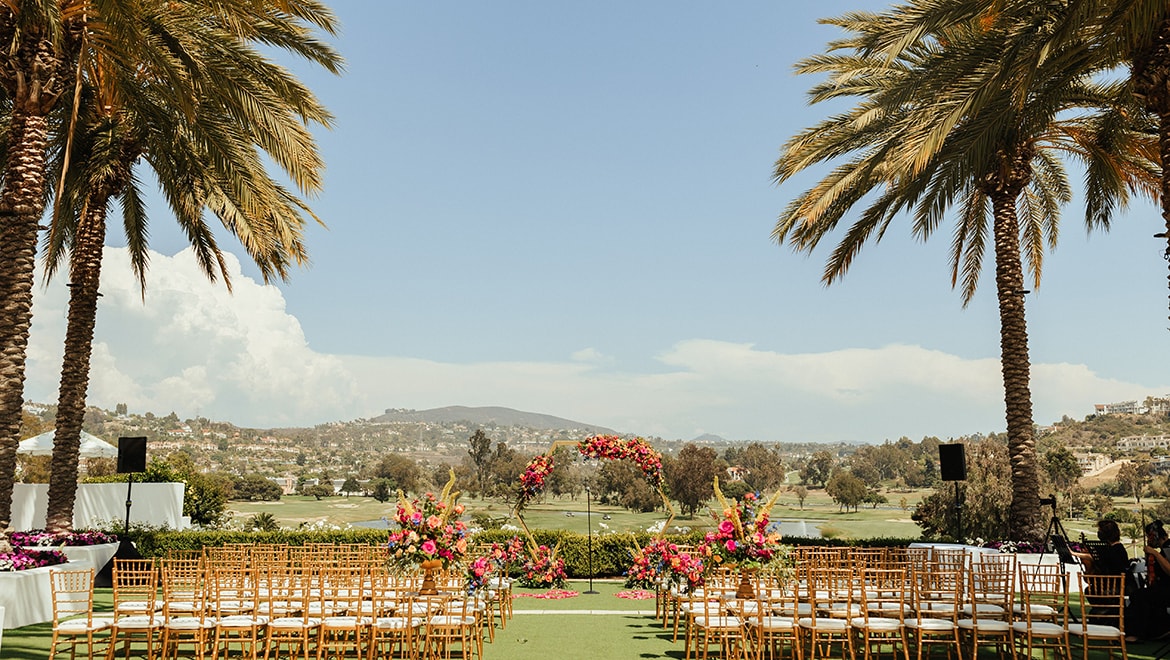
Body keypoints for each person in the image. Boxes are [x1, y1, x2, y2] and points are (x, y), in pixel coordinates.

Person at [1126, 520, 1170, 642]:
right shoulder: (1162, 550)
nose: (1149, 540)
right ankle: (1158, 629)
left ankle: (1138, 633)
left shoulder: (1168, 547)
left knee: (1140, 596)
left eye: (1149, 537)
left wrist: (1155, 553)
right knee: (1141, 595)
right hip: (1162, 588)